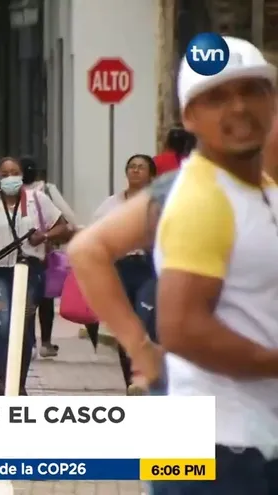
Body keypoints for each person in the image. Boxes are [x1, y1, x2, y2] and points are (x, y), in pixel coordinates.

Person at [73, 36, 278, 493]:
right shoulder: (197, 197)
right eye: (219, 97)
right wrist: (140, 348)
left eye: (253, 91)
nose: (239, 108)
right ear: (189, 117)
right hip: (221, 453)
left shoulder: (257, 191)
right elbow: (182, 326)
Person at [0, 157, 71, 396]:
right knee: (2, 326)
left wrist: (43, 236)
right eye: (5, 173)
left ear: (22, 175)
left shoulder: (37, 200)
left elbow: (64, 227)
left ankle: (18, 383)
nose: (10, 177)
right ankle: (4, 382)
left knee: (22, 327)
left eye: (15, 172)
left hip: (30, 271)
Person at [83, 154, 157, 395]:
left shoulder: (159, 202)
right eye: (132, 167)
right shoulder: (111, 204)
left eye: (141, 167)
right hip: (121, 269)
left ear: (151, 175)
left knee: (146, 324)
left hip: (149, 268)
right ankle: (132, 383)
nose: (135, 171)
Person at [20, 156, 78, 358]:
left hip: (28, 253)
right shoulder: (47, 190)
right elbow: (70, 219)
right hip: (44, 253)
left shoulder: (14, 192)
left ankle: (30, 343)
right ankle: (45, 342)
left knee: (25, 300)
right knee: (44, 299)